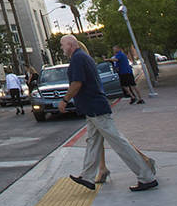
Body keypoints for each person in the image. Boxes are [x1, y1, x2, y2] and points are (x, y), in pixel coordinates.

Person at [59, 35, 158, 192]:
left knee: (118, 142)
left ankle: (146, 175)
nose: (62, 48)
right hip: (93, 109)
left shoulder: (78, 59)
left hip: (95, 108)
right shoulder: (83, 57)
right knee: (92, 141)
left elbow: (77, 83)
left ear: (71, 45)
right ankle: (87, 176)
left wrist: (65, 100)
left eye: (63, 45)